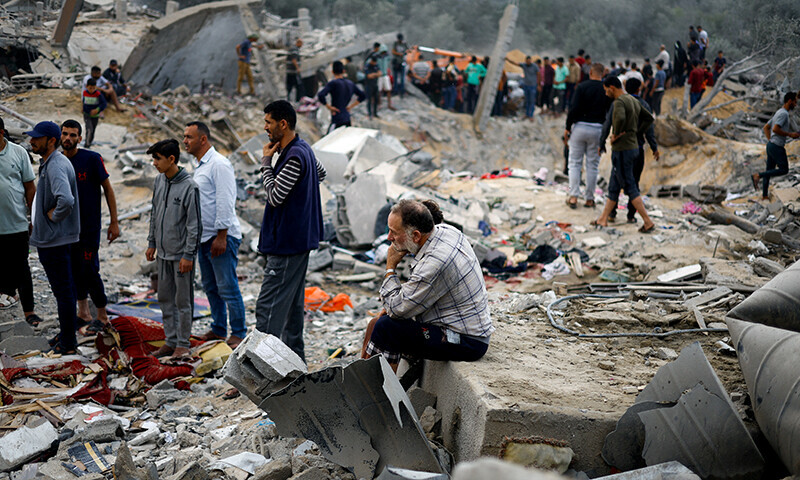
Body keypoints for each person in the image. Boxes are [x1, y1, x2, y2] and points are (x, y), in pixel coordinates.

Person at [360, 199, 493, 372]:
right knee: (375, 323)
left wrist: (390, 267)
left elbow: (396, 308)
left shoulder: (435, 262)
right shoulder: (446, 231)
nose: (389, 238)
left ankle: (377, 394)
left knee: (386, 328)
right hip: (458, 325)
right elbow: (404, 301)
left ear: (415, 235)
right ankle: (361, 379)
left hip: (466, 340)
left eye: (393, 232)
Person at [256, 100, 326, 362]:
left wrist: (266, 161)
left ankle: (264, 366)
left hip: (286, 243)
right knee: (292, 306)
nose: (266, 128)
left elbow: (274, 196)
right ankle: (295, 362)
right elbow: (320, 172)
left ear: (282, 124)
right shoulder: (303, 149)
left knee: (269, 307)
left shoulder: (294, 155)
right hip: (298, 241)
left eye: (268, 122)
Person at [183, 121, 246, 349]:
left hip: (221, 237)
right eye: (184, 137)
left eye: (189, 137)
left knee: (227, 286)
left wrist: (222, 235)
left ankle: (238, 331)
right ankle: (219, 328)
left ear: (203, 139)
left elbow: (225, 200)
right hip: (205, 237)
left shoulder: (219, 164)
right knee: (211, 287)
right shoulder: (200, 165)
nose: (185, 141)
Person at [25, 121, 81, 354]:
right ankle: (66, 336)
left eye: (37, 138)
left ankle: (68, 343)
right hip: (52, 238)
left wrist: (53, 217)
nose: (31, 141)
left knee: (64, 291)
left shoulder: (56, 164)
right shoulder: (50, 163)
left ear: (51, 140)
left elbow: (66, 200)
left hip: (55, 239)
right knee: (62, 291)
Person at [60, 120, 119, 331]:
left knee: (90, 270)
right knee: (74, 270)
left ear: (80, 138)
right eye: (65, 134)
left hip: (89, 228)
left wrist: (114, 221)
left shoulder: (91, 159)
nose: (68, 138)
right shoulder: (56, 161)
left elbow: (108, 189)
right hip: (66, 230)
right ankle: (83, 313)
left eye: (73, 135)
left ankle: (102, 316)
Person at [145, 139, 201, 360]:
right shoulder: (159, 181)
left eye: (157, 159)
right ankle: (170, 341)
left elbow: (194, 225)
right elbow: (154, 213)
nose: (154, 163)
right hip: (163, 254)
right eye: (153, 159)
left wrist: (188, 255)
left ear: (171, 159)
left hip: (181, 257)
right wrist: (151, 242)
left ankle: (183, 344)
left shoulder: (190, 187)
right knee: (164, 298)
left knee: (182, 301)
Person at [591, 76, 655, 233]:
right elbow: (649, 118)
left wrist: (616, 135)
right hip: (634, 148)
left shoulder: (619, 102)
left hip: (623, 150)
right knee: (614, 184)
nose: (606, 94)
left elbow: (617, 119)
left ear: (612, 88)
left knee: (630, 186)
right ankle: (603, 218)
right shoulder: (634, 101)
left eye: (606, 90)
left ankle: (647, 221)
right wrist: (636, 133)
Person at [0, 116, 39, 326]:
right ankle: (5, 297)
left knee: (22, 269)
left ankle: (29, 312)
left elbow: (30, 187)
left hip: (16, 224)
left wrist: (31, 216)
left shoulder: (18, 153)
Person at [564, 63, 611, 209]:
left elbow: (574, 108)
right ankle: (589, 199)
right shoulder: (606, 89)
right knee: (592, 165)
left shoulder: (582, 87)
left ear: (590, 72)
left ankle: (573, 197)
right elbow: (609, 113)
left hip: (580, 127)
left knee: (574, 163)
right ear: (603, 73)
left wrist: (567, 127)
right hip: (598, 129)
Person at [752, 92, 800, 200]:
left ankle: (764, 196)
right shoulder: (784, 114)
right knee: (784, 169)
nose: (795, 105)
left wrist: (771, 141)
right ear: (789, 101)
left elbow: (766, 127)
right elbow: (775, 129)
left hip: (771, 145)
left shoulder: (779, 112)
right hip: (777, 146)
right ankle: (758, 175)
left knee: (769, 170)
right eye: (794, 102)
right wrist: (789, 134)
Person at [317, 60, 366, 132]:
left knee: (330, 140)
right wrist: (350, 106)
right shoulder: (350, 83)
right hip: (347, 119)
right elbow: (363, 96)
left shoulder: (333, 83)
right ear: (343, 71)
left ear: (332, 72)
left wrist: (329, 107)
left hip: (337, 118)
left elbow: (321, 95)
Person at [506, 55, 538, 119]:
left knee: (531, 101)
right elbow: (516, 63)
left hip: (532, 86)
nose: (528, 62)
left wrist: (539, 84)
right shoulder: (524, 65)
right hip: (526, 85)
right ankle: (527, 114)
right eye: (527, 61)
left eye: (529, 61)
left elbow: (538, 74)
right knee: (527, 100)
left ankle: (531, 115)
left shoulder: (534, 66)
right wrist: (508, 60)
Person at [82, 78, 106, 148]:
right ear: (87, 86)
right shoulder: (85, 93)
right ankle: (87, 144)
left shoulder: (98, 94)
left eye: (93, 88)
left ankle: (90, 142)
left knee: (93, 129)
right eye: (90, 88)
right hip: (87, 114)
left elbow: (104, 104)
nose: (92, 90)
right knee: (89, 128)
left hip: (95, 115)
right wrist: (84, 109)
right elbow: (84, 103)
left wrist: (97, 110)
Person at [364, 54, 381, 118]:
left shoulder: (376, 65)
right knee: (369, 100)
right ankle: (369, 113)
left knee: (376, 99)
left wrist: (374, 74)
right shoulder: (367, 66)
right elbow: (369, 76)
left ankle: (375, 113)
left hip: (375, 84)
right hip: (369, 85)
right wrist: (376, 74)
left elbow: (380, 73)